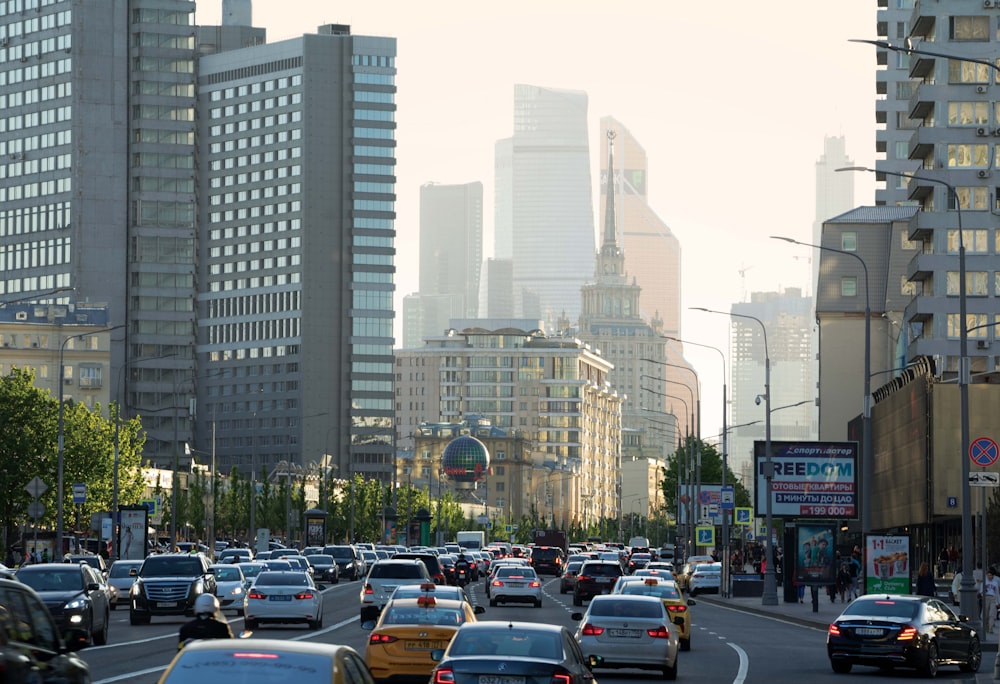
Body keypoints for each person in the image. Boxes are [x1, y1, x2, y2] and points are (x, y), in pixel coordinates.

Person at [982, 567, 999, 633]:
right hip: (986, 597)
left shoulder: (995, 583)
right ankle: (986, 626)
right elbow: (981, 592)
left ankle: (990, 627)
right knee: (986, 614)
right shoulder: (984, 582)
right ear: (986, 575)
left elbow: (997, 593)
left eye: (991, 575)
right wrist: (984, 590)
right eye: (988, 575)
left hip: (993, 598)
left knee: (992, 614)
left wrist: (998, 602)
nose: (989, 576)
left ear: (993, 576)